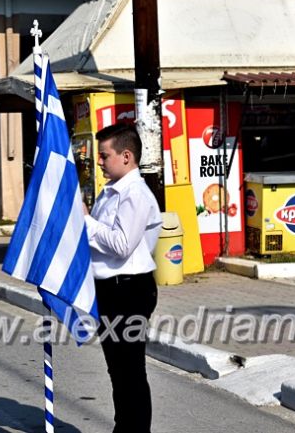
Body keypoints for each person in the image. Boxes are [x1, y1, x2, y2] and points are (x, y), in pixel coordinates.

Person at [83, 122, 162, 433]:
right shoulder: (110, 193)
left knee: (129, 370)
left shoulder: (135, 195)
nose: (100, 162)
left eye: (104, 156)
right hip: (111, 289)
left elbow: (121, 245)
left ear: (126, 156)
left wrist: (86, 220)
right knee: (117, 369)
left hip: (129, 290)